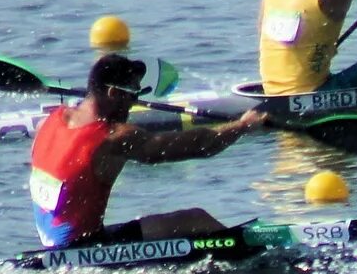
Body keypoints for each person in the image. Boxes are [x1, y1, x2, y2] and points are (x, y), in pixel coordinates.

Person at [26, 55, 268, 248]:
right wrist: (243, 126)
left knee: (183, 220)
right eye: (132, 94)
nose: (134, 103)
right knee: (196, 220)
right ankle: (247, 253)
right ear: (112, 93)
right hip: (84, 247)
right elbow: (199, 145)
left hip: (52, 243)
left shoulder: (51, 120)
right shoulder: (113, 137)